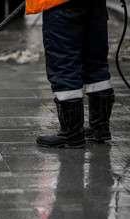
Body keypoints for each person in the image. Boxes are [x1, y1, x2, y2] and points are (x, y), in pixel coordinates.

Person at [25, 0, 115, 148]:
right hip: (95, 5)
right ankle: (100, 128)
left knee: (64, 63)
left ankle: (71, 133)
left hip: (62, 5)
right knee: (95, 62)